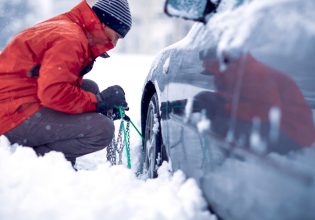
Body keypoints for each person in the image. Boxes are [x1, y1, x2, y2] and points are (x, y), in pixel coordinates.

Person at [0, 0, 132, 166]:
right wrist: (98, 103)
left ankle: (46, 150)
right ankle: (43, 161)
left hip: (16, 99)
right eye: (117, 36)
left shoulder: (70, 26)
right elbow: (52, 92)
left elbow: (56, 83)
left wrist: (101, 105)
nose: (113, 44)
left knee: (90, 88)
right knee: (102, 130)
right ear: (105, 23)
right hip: (10, 115)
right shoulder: (71, 40)